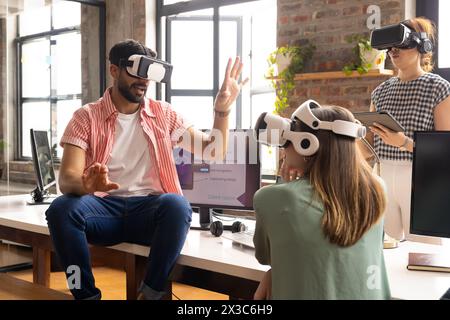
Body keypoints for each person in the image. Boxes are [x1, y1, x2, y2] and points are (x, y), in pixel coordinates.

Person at [45, 39, 248, 300]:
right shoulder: (86, 116)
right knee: (60, 210)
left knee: (177, 206)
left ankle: (149, 294)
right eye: (136, 71)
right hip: (103, 211)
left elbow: (213, 151)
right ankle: (83, 294)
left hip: (150, 214)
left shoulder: (164, 114)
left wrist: (222, 111)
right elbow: (67, 179)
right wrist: (87, 186)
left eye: (149, 74)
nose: (143, 81)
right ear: (114, 71)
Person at [253, 105, 390, 300]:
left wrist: (286, 184)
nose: (284, 150)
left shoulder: (271, 199)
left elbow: (266, 257)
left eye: (287, 142)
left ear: (306, 145)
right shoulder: (377, 189)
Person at [363, 17, 450, 242]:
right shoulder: (380, 92)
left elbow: (444, 152)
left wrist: (403, 142)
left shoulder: (438, 88)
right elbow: (368, 145)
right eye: (390, 46)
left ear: (422, 46)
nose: (393, 51)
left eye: (401, 44)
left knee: (424, 253)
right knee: (384, 250)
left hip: (424, 180)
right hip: (382, 178)